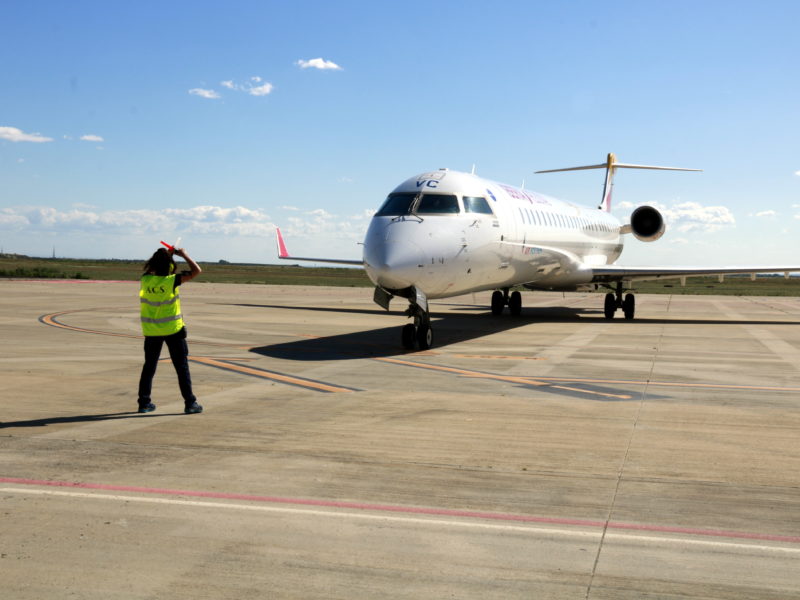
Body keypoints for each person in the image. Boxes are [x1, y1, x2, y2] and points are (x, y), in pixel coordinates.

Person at [137, 246, 203, 414]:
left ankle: (144, 403)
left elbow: (153, 269)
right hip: (173, 330)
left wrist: (165, 257)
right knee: (181, 367)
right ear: (170, 266)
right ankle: (190, 403)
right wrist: (183, 255)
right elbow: (197, 270)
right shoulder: (172, 280)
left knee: (149, 367)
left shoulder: (145, 279)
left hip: (152, 331)